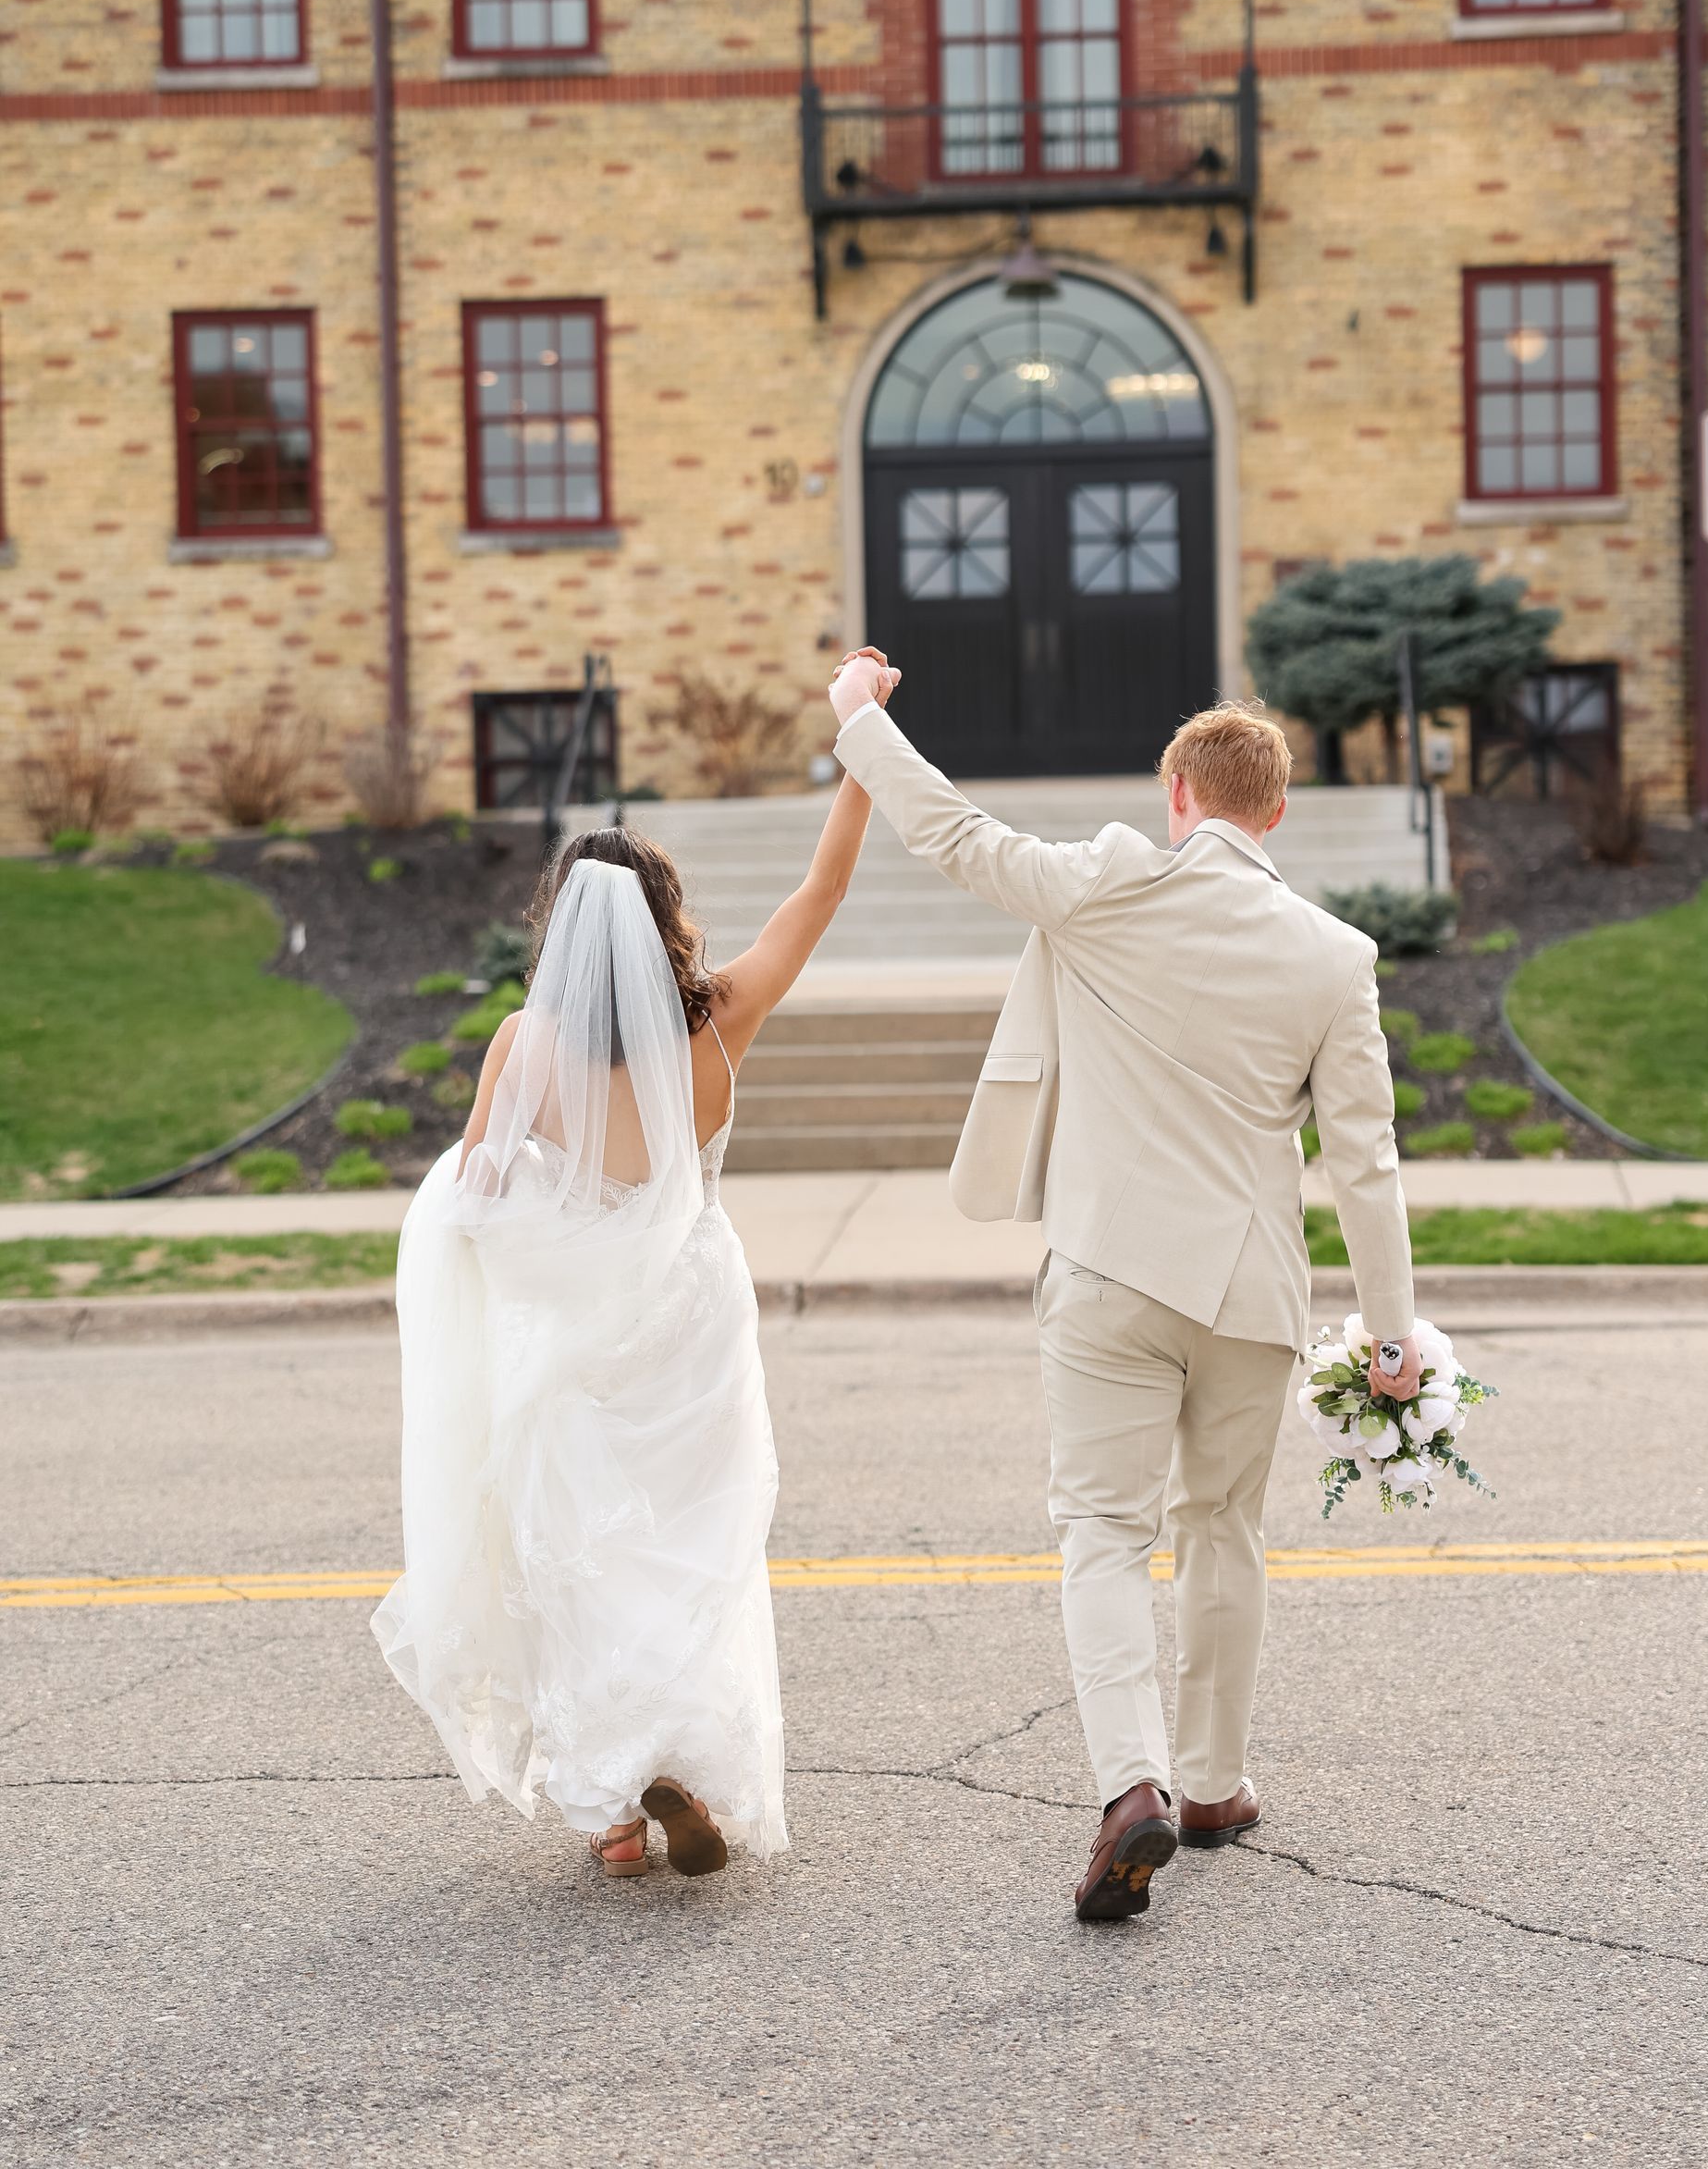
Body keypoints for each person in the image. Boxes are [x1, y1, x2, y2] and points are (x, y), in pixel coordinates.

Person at [826, 655, 1418, 1924]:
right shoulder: (1334, 956)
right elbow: (1365, 1166)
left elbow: (951, 832)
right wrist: (1388, 1331)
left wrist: (858, 720)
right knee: (1225, 1529)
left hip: (1106, 1272)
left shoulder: (1106, 884)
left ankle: (1128, 1787)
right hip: (1252, 1294)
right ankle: (1210, 1786)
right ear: (1273, 814)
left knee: (1104, 1534)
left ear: (1176, 794)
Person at [372, 699, 891, 1879]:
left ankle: (610, 1811)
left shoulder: (523, 1042)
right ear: (664, 920)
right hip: (689, 1318)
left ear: (559, 929)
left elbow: (477, 1192)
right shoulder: (717, 1023)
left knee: (576, 1551)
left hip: (575, 1333)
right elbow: (820, 897)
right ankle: (688, 1764)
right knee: (692, 1551)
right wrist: (859, 749)